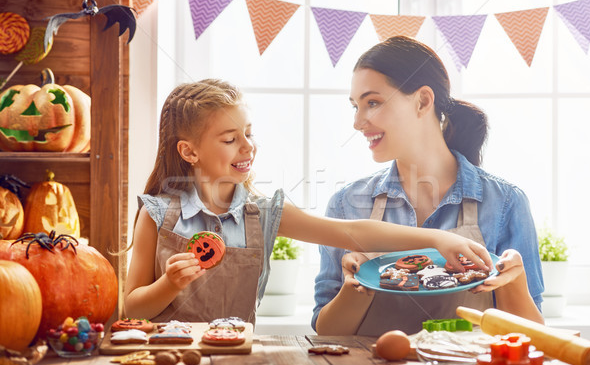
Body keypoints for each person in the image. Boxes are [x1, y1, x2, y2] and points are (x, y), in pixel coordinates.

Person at [123, 79, 491, 326]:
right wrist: (168, 285)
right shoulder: (157, 213)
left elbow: (349, 232)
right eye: (230, 139)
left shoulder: (263, 214)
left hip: (235, 361)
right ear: (189, 151)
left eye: (248, 134)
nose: (248, 147)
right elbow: (131, 307)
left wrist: (437, 239)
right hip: (162, 364)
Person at [312, 36, 544, 336]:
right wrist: (357, 287)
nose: (358, 122)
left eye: (372, 103)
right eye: (355, 106)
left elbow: (533, 337)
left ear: (422, 100)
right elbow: (326, 332)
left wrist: (515, 280)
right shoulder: (346, 204)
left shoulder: (505, 203)